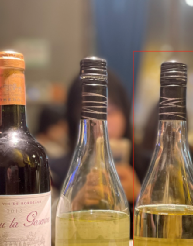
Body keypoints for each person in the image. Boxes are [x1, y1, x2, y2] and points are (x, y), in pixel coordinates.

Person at [50, 70, 149, 206]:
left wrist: (139, 196)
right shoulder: (55, 173)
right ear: (74, 119)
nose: (103, 122)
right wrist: (75, 203)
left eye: (111, 111)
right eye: (91, 114)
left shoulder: (150, 167)